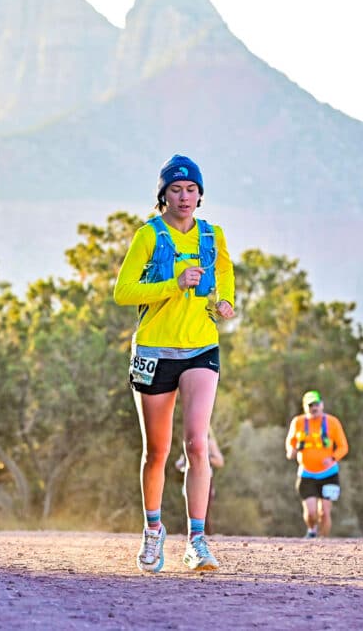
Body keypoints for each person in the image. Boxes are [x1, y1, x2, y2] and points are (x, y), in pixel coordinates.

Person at [113, 154, 236, 573]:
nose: (184, 196)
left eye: (191, 189)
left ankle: (197, 541)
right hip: (153, 351)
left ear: (200, 195)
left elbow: (226, 271)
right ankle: (152, 533)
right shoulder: (148, 235)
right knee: (156, 452)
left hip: (201, 347)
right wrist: (173, 284)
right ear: (162, 195)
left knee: (198, 443)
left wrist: (224, 302)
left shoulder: (212, 234)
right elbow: (123, 292)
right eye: (176, 189)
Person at [285, 390, 350, 538]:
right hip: (306, 474)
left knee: (324, 512)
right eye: (310, 405)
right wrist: (291, 451)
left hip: (329, 474)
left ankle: (323, 543)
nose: (314, 408)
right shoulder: (298, 422)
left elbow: (343, 446)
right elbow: (290, 442)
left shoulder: (333, 422)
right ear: (304, 407)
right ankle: (311, 530)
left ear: (322, 404)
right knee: (311, 513)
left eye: (316, 404)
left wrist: (333, 458)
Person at [175, 432, 225, 533]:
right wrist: (183, 463)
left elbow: (220, 461)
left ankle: (204, 535)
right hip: (190, 478)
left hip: (205, 478)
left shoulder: (210, 442)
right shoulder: (188, 441)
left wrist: (205, 458)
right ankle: (190, 533)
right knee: (190, 507)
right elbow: (179, 463)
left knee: (204, 510)